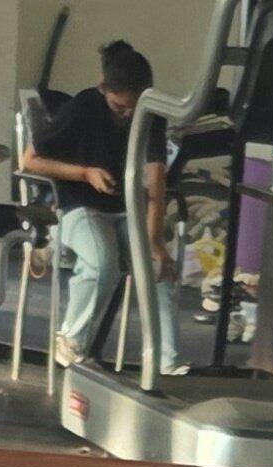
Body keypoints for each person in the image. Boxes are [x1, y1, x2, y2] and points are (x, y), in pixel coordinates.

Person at [19, 38, 168, 366]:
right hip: (79, 204)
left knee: (158, 268)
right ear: (103, 89)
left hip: (126, 209)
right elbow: (30, 161)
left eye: (135, 108)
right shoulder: (84, 107)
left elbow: (156, 184)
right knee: (102, 263)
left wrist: (156, 242)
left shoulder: (152, 114)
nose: (129, 115)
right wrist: (85, 173)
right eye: (119, 107)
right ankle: (71, 339)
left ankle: (169, 361)